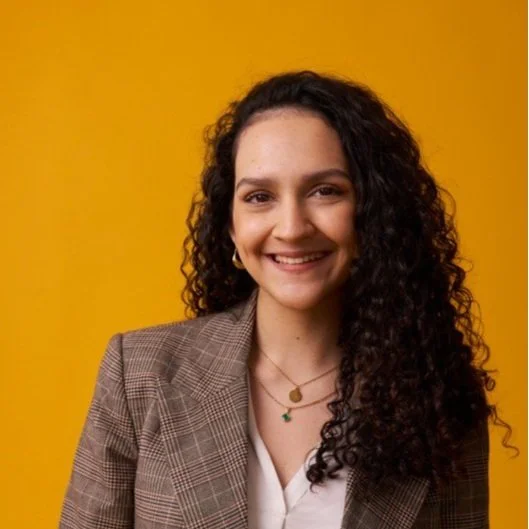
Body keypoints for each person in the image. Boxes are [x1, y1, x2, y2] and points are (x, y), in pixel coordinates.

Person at [60, 70, 513, 529]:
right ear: (231, 226)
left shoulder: (436, 401)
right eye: (259, 197)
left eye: (325, 191)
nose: (292, 228)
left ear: (371, 212)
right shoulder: (139, 375)